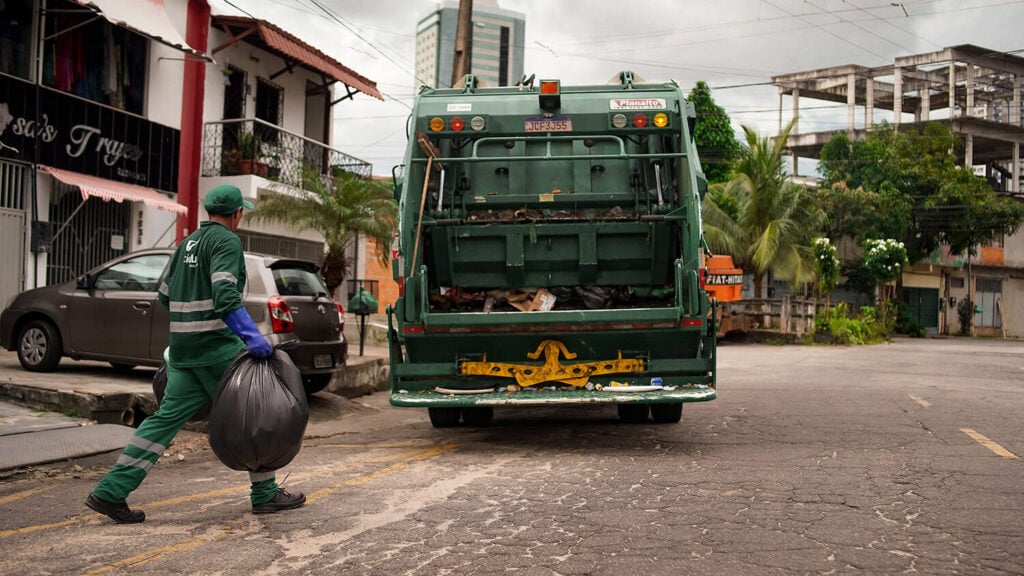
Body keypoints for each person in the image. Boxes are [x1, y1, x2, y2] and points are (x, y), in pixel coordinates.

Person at [86, 184, 305, 523]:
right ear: (236, 214)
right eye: (241, 212)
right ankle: (264, 494)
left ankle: (110, 492)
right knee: (256, 415)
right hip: (217, 351)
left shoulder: (185, 243)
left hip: (183, 353)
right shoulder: (227, 241)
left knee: (162, 423)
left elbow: (164, 296)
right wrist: (252, 338)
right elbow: (225, 296)